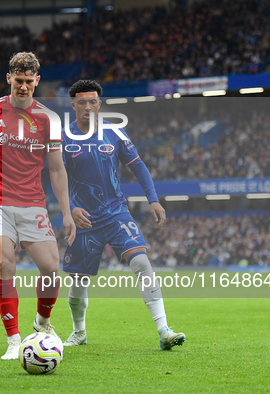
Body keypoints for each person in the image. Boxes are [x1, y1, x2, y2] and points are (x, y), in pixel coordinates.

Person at [0, 52, 76, 360]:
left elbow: (56, 169)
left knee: (52, 270)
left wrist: (66, 212)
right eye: (18, 81)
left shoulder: (48, 119)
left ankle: (42, 322)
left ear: (37, 81)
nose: (23, 87)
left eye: (29, 82)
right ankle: (13, 340)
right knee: (5, 264)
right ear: (8, 78)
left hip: (32, 205)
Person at [60, 79, 185, 350]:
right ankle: (78, 331)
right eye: (82, 102)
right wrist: (69, 208)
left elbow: (137, 166)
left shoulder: (114, 132)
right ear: (73, 106)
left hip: (117, 214)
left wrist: (153, 200)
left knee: (142, 264)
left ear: (100, 104)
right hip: (84, 220)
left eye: (92, 101)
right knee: (78, 282)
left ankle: (164, 330)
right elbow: (53, 178)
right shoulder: (62, 137)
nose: (87, 107)